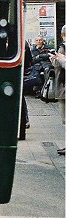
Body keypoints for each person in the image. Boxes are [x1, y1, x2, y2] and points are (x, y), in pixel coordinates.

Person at [50, 25, 65, 154]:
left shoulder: (62, 47)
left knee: (64, 118)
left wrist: (53, 59)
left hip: (63, 86)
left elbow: (58, 64)